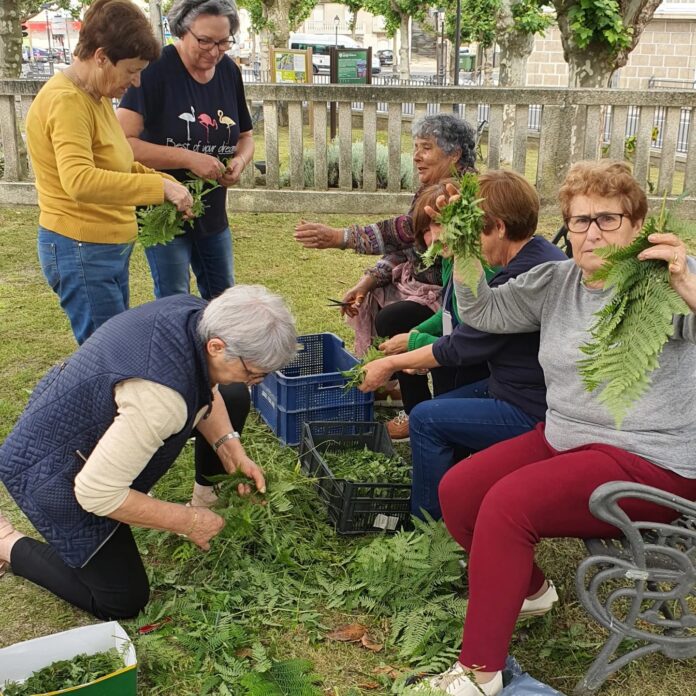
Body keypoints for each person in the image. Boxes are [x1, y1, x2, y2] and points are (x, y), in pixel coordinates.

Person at [417, 160, 696, 696]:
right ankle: (532, 591)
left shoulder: (663, 282)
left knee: (509, 503)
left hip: (652, 460)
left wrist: (686, 283)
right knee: (460, 491)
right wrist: (467, 251)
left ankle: (480, 673)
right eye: (579, 220)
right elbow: (485, 314)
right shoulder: (556, 280)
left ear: (637, 225)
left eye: (608, 219)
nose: (591, 232)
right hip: (567, 438)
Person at [0, 285, 297, 619]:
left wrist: (233, 453)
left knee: (233, 395)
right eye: (254, 372)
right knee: (122, 599)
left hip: (76, 425)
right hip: (51, 471)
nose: (257, 381)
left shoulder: (197, 316)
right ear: (217, 347)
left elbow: (207, 389)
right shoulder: (161, 400)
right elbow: (95, 493)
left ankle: (205, 496)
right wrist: (188, 522)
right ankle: (6, 542)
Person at [360, 171, 566, 508]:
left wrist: (392, 362)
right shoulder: (538, 253)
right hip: (509, 385)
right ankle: (456, 483)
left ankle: (428, 526)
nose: (468, 242)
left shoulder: (520, 277)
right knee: (441, 406)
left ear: (498, 227)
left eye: (474, 232)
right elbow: (453, 320)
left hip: (531, 408)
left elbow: (460, 344)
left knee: (426, 418)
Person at [294, 113, 477, 433]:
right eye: (416, 147)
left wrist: (341, 237)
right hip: (428, 289)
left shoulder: (460, 194)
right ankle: (396, 380)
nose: (417, 156)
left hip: (456, 296)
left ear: (455, 154)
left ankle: (416, 411)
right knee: (385, 306)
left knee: (395, 319)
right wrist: (366, 282)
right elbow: (409, 249)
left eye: (427, 148)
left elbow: (402, 232)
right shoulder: (428, 188)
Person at [26, 0, 194, 346]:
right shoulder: (67, 102)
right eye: (132, 70)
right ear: (101, 56)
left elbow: (116, 161)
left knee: (115, 346)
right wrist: (157, 187)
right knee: (107, 354)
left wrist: (166, 181)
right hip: (81, 249)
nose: (135, 82)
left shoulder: (96, 96)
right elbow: (80, 181)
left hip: (105, 247)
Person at [117, 0, 254, 300]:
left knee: (223, 298)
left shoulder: (229, 71)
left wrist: (240, 162)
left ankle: (215, 348)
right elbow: (123, 144)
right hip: (164, 214)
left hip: (212, 212)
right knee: (174, 297)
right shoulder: (154, 70)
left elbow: (245, 136)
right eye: (204, 41)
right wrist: (189, 158)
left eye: (223, 42)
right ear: (181, 30)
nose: (214, 51)